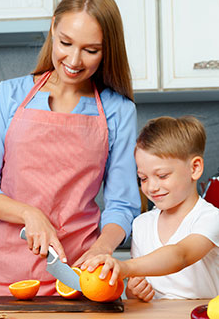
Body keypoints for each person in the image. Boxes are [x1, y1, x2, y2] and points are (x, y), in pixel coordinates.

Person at [0, 0, 140, 297]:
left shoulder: (118, 110)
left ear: (106, 50)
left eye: (91, 50)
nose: (73, 60)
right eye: (66, 42)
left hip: (79, 274)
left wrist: (101, 249)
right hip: (9, 274)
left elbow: (122, 205)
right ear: (52, 29)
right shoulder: (9, 95)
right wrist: (30, 214)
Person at [82, 116, 219, 301]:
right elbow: (134, 292)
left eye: (162, 176)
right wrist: (135, 291)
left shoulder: (210, 218)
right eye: (143, 178)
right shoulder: (141, 225)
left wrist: (126, 267)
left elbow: (181, 255)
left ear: (194, 168)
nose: (152, 187)